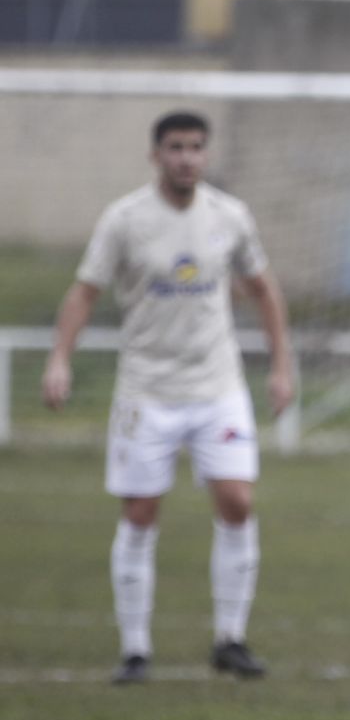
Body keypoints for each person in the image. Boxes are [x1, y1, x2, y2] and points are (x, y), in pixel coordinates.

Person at [42, 111, 294, 684]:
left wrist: (281, 366)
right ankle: (135, 650)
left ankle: (230, 638)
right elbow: (84, 293)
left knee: (237, 501)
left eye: (197, 148)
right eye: (176, 147)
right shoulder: (125, 219)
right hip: (147, 389)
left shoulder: (229, 217)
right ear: (155, 154)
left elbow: (263, 290)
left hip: (217, 386)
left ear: (206, 156)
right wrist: (60, 357)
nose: (187, 157)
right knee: (140, 512)